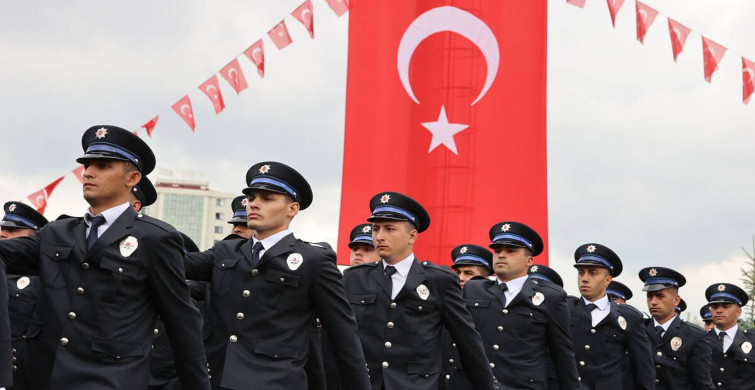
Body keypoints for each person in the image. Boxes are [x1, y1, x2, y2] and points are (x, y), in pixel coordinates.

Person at [0, 125, 210, 389]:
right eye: (87, 166)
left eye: (102, 166)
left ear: (132, 178)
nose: (88, 172)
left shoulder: (155, 239)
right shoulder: (56, 232)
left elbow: (182, 322)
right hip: (44, 378)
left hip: (110, 380)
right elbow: (6, 254)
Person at [183, 161, 370, 390]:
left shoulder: (313, 261)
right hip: (217, 379)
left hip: (276, 382)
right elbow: (175, 265)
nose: (254, 205)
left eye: (267, 199)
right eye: (252, 198)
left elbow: (344, 336)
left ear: (292, 209)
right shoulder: (224, 251)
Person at [343, 192, 496, 390]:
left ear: (412, 235)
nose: (379, 236)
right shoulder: (354, 278)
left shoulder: (438, 280)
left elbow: (468, 343)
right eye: (375, 229)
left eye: (389, 229)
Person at [449, 221, 579, 390]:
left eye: (511, 251)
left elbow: (563, 357)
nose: (501, 255)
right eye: (497, 251)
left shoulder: (550, 297)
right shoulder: (473, 289)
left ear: (529, 260)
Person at [568, 243, 654, 389]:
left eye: (593, 273)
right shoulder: (565, 308)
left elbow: (643, 369)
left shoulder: (629, 317)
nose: (584, 278)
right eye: (581, 272)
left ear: (607, 280)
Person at [0, 201, 50, 390]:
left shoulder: (43, 280)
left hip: (23, 377)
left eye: (14, 230)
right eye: (3, 228)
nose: (3, 233)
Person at [639, 266, 713, 389]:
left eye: (660, 296)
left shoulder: (694, 336)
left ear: (676, 300)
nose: (653, 301)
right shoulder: (638, 330)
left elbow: (702, 383)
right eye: (650, 296)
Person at [704, 283, 755, 389]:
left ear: (738, 312)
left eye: (726, 306)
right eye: (714, 306)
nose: (719, 310)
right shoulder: (700, 340)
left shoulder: (752, 340)